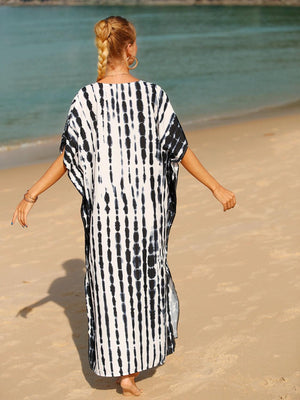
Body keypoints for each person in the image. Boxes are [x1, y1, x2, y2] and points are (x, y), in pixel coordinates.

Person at [11, 15, 236, 397]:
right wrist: (216, 187)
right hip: (146, 214)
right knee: (145, 286)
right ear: (129, 48)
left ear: (102, 47)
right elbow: (180, 149)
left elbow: (68, 158)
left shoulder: (85, 99)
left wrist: (31, 194)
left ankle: (124, 375)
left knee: (111, 291)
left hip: (107, 219)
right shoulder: (153, 95)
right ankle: (144, 357)